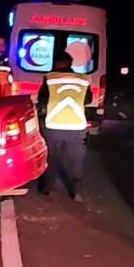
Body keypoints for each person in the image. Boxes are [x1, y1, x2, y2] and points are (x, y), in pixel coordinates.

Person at [37, 51, 92, 202]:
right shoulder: (83, 78)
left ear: (55, 63)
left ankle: (47, 188)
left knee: (51, 158)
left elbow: (42, 100)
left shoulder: (49, 78)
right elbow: (88, 100)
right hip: (76, 126)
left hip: (53, 125)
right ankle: (76, 192)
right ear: (70, 63)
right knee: (76, 160)